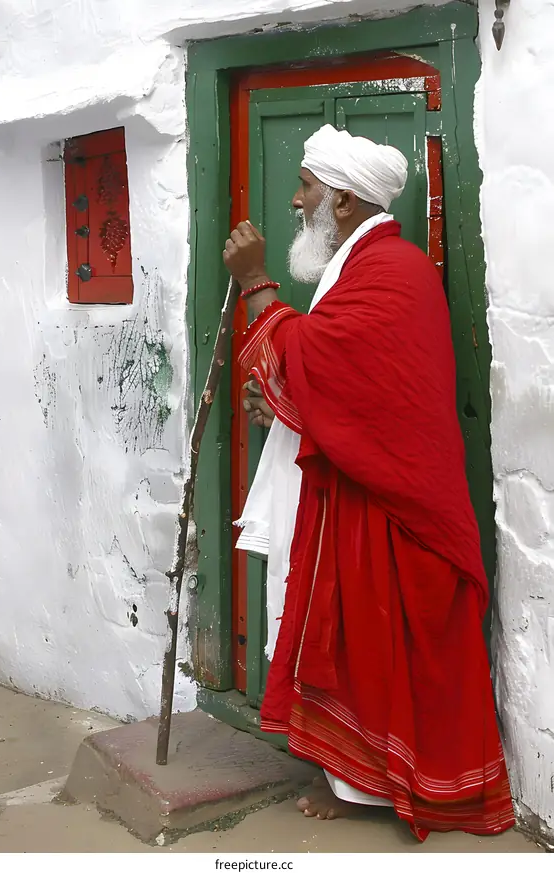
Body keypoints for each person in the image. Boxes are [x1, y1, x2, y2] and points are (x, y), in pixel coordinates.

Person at [222, 124, 514, 842]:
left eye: (307, 188)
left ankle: (392, 784)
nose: (295, 200)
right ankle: (355, 780)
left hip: (401, 502)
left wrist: (257, 281)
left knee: (390, 639)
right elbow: (340, 381)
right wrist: (287, 404)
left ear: (343, 200)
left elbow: (335, 365)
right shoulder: (364, 267)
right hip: (362, 489)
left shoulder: (393, 271)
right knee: (353, 636)